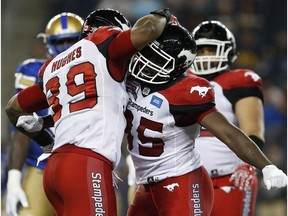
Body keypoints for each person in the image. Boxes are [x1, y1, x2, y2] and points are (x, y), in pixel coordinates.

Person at [5, 8, 174, 216]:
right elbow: (149, 28)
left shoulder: (53, 65)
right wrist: (163, 15)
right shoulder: (105, 43)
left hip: (55, 169)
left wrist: (43, 137)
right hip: (86, 164)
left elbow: (13, 108)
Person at [123, 22, 287, 215]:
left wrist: (263, 165)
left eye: (211, 50)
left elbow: (231, 133)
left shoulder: (190, 90)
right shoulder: (132, 81)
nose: (148, 62)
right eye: (149, 54)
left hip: (197, 178)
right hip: (148, 182)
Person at [5, 12, 84, 216]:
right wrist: (13, 180)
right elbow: (21, 128)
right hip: (41, 167)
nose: (66, 47)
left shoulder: (99, 70)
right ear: (48, 43)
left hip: (84, 167)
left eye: (71, 40)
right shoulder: (32, 71)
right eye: (61, 41)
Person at [189, 20, 265, 216]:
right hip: (188, 179)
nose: (205, 56)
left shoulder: (239, 81)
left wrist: (248, 164)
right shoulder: (182, 83)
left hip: (230, 178)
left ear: (227, 53)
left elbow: (253, 130)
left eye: (211, 50)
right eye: (201, 50)